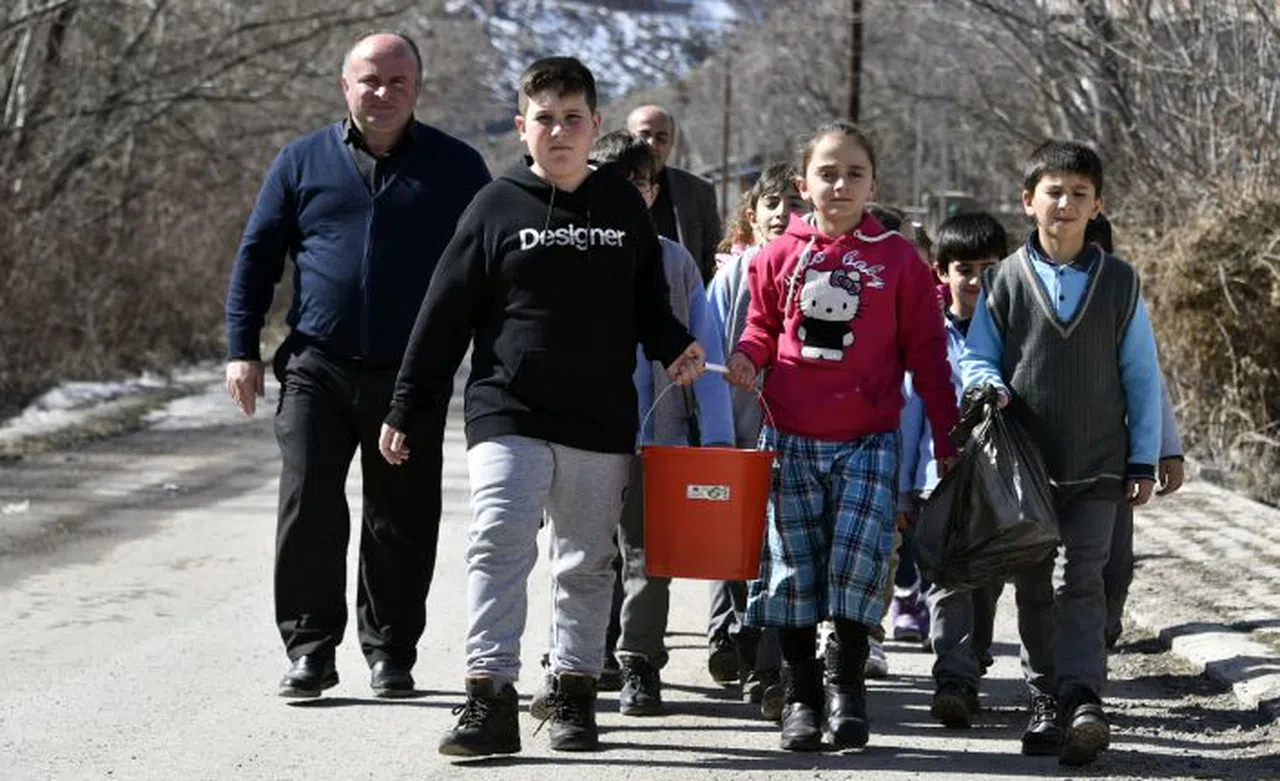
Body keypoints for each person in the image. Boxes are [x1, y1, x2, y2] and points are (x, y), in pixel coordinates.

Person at [378, 57, 706, 757]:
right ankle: (488, 697)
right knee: (497, 542)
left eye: (572, 119)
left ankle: (574, 694)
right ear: (523, 127)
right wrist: (407, 404)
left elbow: (650, 299)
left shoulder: (620, 207)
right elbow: (443, 314)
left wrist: (676, 344)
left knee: (584, 561)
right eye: (544, 119)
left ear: (594, 127)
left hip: (598, 416)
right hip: (509, 408)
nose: (558, 132)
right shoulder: (495, 205)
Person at [223, 32, 490, 699]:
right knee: (308, 501)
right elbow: (258, 256)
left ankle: (391, 650)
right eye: (370, 80)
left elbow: (489, 269)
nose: (383, 92)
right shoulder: (301, 160)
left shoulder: (456, 168)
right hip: (317, 364)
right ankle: (310, 648)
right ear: (346, 86)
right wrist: (241, 348)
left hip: (411, 376)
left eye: (397, 81)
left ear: (417, 89)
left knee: (400, 514)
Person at [725, 120, 959, 752]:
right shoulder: (776, 257)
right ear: (804, 185)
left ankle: (847, 693)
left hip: (868, 440)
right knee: (793, 571)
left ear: (873, 184)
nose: (840, 184)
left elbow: (930, 357)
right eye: (827, 173)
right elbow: (762, 326)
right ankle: (801, 697)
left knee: (858, 565)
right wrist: (747, 357)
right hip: (790, 438)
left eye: (854, 173)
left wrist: (946, 435)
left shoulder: (899, 261)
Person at [960, 140, 1163, 767]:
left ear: (1098, 204)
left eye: (1080, 193)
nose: (1066, 203)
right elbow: (977, 355)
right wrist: (983, 385)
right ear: (1028, 202)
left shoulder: (1121, 283)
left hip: (1101, 462)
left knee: (1085, 579)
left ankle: (1082, 700)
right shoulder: (1002, 282)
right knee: (1034, 585)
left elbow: (1142, 376)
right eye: (1054, 191)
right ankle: (1044, 697)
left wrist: (1145, 458)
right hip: (1026, 466)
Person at [527, 130, 734, 719]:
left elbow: (706, 350)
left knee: (647, 558)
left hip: (656, 436)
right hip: (578, 433)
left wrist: (714, 437)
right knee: (579, 555)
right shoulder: (563, 246)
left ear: (652, 192)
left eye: (639, 183)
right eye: (613, 181)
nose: (626, 192)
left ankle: (641, 662)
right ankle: (572, 663)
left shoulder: (674, 259)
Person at [901, 211, 1011, 730]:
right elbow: (911, 415)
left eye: (990, 268)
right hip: (937, 483)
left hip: (1000, 488)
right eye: (965, 269)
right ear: (942, 273)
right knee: (946, 583)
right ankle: (953, 677)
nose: (977, 282)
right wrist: (903, 487)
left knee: (985, 585)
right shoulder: (928, 336)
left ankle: (972, 663)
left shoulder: (1016, 335)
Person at [705, 162, 802, 718]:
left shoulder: (821, 272)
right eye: (771, 203)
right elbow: (712, 356)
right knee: (745, 555)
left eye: (793, 203)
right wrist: (716, 438)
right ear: (752, 214)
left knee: (785, 553)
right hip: (741, 437)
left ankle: (771, 667)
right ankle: (751, 651)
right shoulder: (732, 277)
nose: (781, 213)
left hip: (802, 437)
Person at [1084, 215, 1186, 649]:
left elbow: (1150, 384)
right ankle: (1068, 640)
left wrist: (1168, 450)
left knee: (1117, 560)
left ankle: (1106, 624)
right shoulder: (1034, 300)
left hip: (1114, 458)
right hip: (1051, 458)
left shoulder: (1124, 303)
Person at [627, 104, 722, 284]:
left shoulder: (698, 191)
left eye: (661, 138)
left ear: (672, 143)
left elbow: (713, 259)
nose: (651, 144)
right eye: (644, 135)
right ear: (627, 138)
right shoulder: (605, 185)